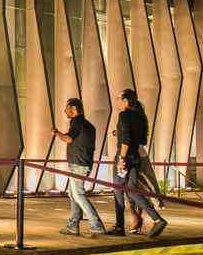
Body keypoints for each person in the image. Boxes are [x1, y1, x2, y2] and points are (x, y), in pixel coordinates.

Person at [107, 89, 167, 238]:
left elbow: (126, 140)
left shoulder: (124, 115)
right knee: (132, 190)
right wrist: (120, 133)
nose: (117, 100)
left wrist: (121, 159)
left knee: (118, 190)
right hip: (135, 158)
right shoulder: (140, 117)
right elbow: (141, 140)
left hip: (125, 158)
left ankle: (120, 227)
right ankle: (157, 219)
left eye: (119, 98)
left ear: (126, 100)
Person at [51, 98, 106, 235]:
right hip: (83, 162)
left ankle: (96, 224)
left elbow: (68, 138)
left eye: (67, 108)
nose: (65, 111)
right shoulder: (88, 125)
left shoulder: (77, 122)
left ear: (74, 109)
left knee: (78, 194)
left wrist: (56, 133)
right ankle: (73, 225)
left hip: (78, 164)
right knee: (72, 193)